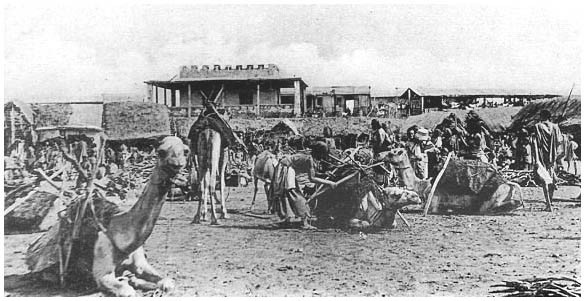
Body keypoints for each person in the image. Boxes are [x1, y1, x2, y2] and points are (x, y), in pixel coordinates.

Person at [271, 142, 337, 230]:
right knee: (294, 194)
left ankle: (289, 218)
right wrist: (329, 183)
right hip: (285, 167)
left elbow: (313, 173)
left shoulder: (310, 158)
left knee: (290, 194)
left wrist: (324, 174)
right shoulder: (309, 159)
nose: (323, 157)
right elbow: (312, 178)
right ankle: (303, 222)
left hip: (288, 167)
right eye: (323, 154)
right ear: (319, 153)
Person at [534, 109, 562, 212]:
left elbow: (537, 142)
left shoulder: (538, 126)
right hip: (552, 156)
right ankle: (550, 201)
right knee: (551, 178)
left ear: (541, 116)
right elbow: (559, 141)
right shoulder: (555, 127)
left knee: (544, 179)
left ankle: (548, 204)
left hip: (542, 156)